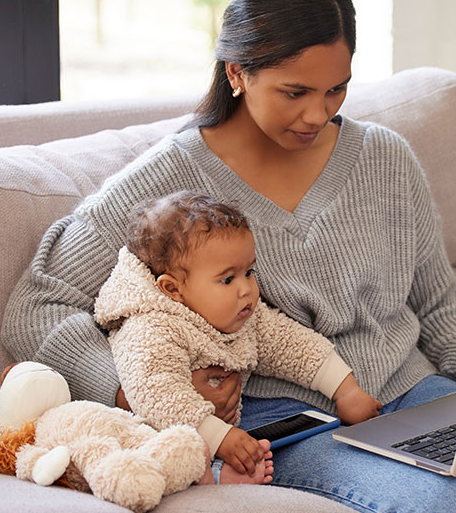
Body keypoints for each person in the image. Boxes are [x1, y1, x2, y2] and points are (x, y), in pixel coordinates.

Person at [2, 0, 456, 512]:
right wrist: (131, 385)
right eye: (295, 92)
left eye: (336, 89)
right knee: (454, 507)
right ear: (238, 72)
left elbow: (439, 312)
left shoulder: (386, 159)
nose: (319, 114)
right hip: (288, 422)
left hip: (410, 389)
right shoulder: (170, 181)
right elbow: (37, 305)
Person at [94, 191, 381, 475]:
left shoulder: (240, 312)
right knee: (170, 460)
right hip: (167, 433)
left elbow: (291, 344)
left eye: (249, 272)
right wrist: (221, 438)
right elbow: (159, 397)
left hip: (224, 431)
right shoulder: (152, 330)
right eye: (228, 279)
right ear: (173, 289)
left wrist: (346, 390)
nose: (246, 289)